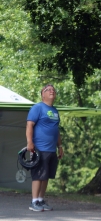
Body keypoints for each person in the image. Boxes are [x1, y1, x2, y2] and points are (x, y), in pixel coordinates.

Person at [26, 84, 64, 212]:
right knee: (38, 175)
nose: (52, 91)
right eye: (48, 90)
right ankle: (34, 201)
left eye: (53, 90)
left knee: (46, 175)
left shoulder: (55, 111)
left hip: (51, 149)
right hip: (39, 148)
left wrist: (60, 146)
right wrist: (29, 142)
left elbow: (56, 130)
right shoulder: (37, 108)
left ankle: (41, 200)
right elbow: (29, 125)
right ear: (43, 94)